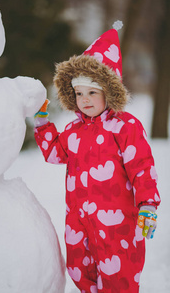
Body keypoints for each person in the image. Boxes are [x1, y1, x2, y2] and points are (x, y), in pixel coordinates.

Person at [34, 21, 161, 293]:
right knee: (81, 268)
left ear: (110, 92)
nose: (85, 100)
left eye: (92, 92)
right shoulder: (73, 131)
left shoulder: (125, 127)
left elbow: (142, 168)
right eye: (79, 93)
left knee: (119, 274)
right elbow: (56, 154)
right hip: (79, 220)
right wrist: (44, 126)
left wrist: (148, 203)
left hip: (118, 225)